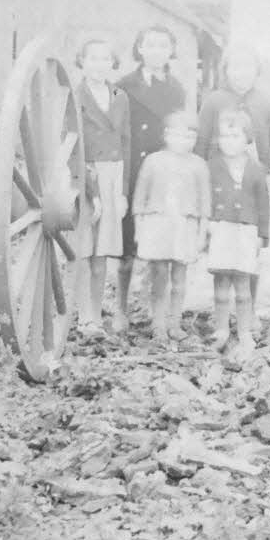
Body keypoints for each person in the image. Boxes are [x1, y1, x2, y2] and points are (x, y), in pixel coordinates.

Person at [195, 45, 270, 310]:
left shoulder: (266, 103)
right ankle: (220, 309)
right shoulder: (213, 101)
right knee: (221, 244)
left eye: (247, 66)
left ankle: (248, 307)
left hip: (254, 181)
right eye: (235, 66)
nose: (241, 73)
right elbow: (201, 141)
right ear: (225, 70)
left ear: (257, 71)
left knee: (249, 246)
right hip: (220, 180)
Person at [115, 25, 187, 333]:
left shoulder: (176, 89)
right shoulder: (123, 85)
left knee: (159, 241)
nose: (157, 51)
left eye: (163, 45)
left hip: (163, 173)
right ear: (139, 49)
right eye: (150, 45)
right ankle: (119, 308)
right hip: (132, 168)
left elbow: (181, 130)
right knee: (126, 244)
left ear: (171, 51)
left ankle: (155, 308)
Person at [131, 111, 210, 341]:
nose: (183, 142)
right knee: (159, 275)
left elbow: (205, 203)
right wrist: (139, 228)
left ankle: (174, 322)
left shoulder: (199, 165)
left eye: (189, 137)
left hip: (184, 224)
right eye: (178, 135)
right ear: (166, 135)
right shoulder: (153, 161)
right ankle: (158, 323)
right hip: (157, 222)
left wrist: (201, 233)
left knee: (179, 276)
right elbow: (140, 198)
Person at [71, 37, 130, 335]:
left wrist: (121, 192)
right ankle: (85, 317)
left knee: (102, 252)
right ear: (81, 62)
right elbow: (68, 144)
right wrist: (87, 188)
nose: (99, 65)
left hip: (113, 176)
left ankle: (96, 312)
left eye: (105, 59)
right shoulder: (74, 95)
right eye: (92, 58)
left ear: (112, 63)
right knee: (84, 249)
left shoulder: (120, 96)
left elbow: (126, 143)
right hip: (85, 176)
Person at [206, 110, 269, 357]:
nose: (228, 141)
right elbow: (206, 197)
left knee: (243, 285)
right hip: (221, 227)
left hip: (246, 230)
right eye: (224, 136)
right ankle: (220, 329)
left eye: (234, 135)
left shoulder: (256, 169)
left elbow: (264, 204)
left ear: (247, 139)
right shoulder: (212, 166)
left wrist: (262, 234)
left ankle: (244, 332)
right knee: (221, 283)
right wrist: (207, 225)